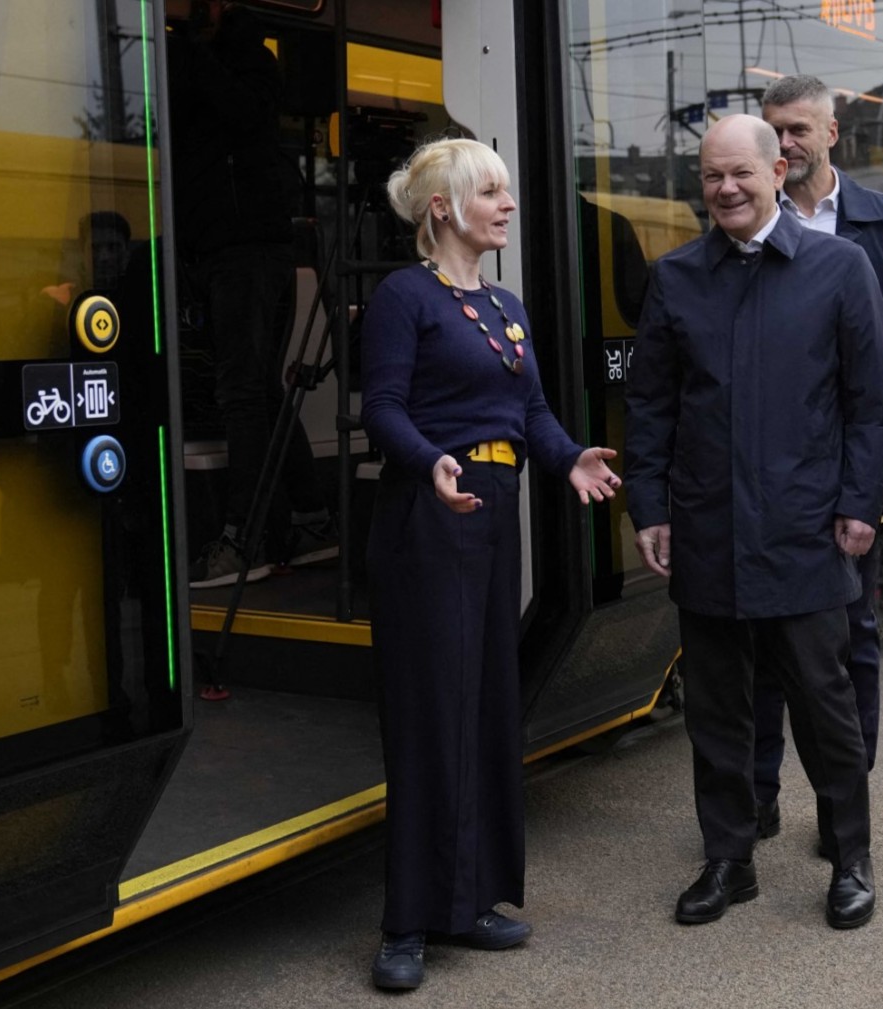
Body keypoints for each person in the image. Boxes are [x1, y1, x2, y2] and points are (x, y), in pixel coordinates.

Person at [625, 114, 883, 930]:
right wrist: (650, 506)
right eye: (711, 176)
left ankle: (850, 857)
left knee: (825, 705)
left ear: (780, 169)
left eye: (741, 173)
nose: (726, 189)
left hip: (806, 532)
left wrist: (859, 505)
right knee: (716, 711)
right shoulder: (675, 278)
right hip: (709, 531)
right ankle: (728, 860)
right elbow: (651, 408)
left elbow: (875, 407)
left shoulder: (840, 266)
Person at [359, 138, 621, 991]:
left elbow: (532, 413)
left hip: (492, 516)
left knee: (484, 708)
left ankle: (468, 900)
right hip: (428, 516)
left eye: (508, 190)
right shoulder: (405, 296)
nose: (508, 204)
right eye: (491, 191)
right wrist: (429, 461)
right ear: (443, 207)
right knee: (430, 713)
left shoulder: (505, 306)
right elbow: (384, 408)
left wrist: (569, 458)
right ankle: (406, 923)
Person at [751, 74, 883, 848]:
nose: (785, 144)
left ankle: (843, 805)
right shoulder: (744, 218)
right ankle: (757, 796)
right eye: (773, 131)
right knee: (760, 644)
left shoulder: (881, 220)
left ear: (831, 134)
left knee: (852, 633)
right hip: (770, 459)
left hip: (859, 456)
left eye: (797, 129)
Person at [170, 1, 334, 588]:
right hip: (220, 246)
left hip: (245, 246)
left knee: (242, 393)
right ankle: (312, 520)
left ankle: (242, 538)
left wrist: (192, 49)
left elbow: (244, 115)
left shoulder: (248, 61)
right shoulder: (192, 61)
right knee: (260, 390)